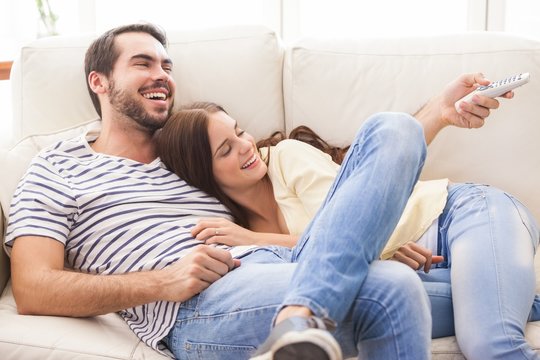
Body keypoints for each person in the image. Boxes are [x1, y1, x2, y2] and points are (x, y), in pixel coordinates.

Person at [0, 22, 517, 360]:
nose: (162, 75)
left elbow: (339, 202)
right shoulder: (57, 168)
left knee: (393, 129)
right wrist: (161, 282)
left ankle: (299, 318)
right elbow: (33, 287)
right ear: (99, 82)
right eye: (143, 63)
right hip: (198, 303)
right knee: (390, 288)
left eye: (166, 66)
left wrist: (370, 243)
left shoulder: (191, 154)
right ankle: (303, 316)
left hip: (289, 270)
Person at [156, 99, 540, 360]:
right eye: (225, 150)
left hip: (460, 216)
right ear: (203, 173)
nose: (244, 146)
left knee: (491, 344)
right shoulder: (234, 230)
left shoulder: (284, 158)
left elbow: (355, 225)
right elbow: (347, 270)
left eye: (239, 132)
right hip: (419, 269)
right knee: (398, 300)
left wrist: (259, 239)